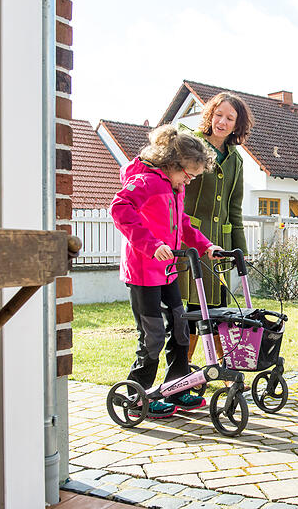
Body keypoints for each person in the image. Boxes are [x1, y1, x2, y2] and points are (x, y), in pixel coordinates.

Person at [110, 125, 222, 418]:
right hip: (144, 272)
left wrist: (207, 246)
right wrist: (149, 244)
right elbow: (120, 208)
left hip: (169, 271)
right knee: (153, 336)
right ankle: (137, 396)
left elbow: (183, 224)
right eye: (188, 174)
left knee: (181, 329)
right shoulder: (147, 182)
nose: (190, 180)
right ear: (172, 164)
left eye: (194, 177)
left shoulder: (176, 187)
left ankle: (177, 387)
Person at [177, 92, 253, 365]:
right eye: (218, 115)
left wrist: (240, 251)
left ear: (237, 124)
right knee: (193, 308)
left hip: (219, 245)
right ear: (210, 115)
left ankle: (223, 366)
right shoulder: (190, 144)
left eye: (230, 118)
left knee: (220, 308)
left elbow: (235, 208)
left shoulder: (237, 160)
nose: (222, 121)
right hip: (189, 241)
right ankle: (184, 369)